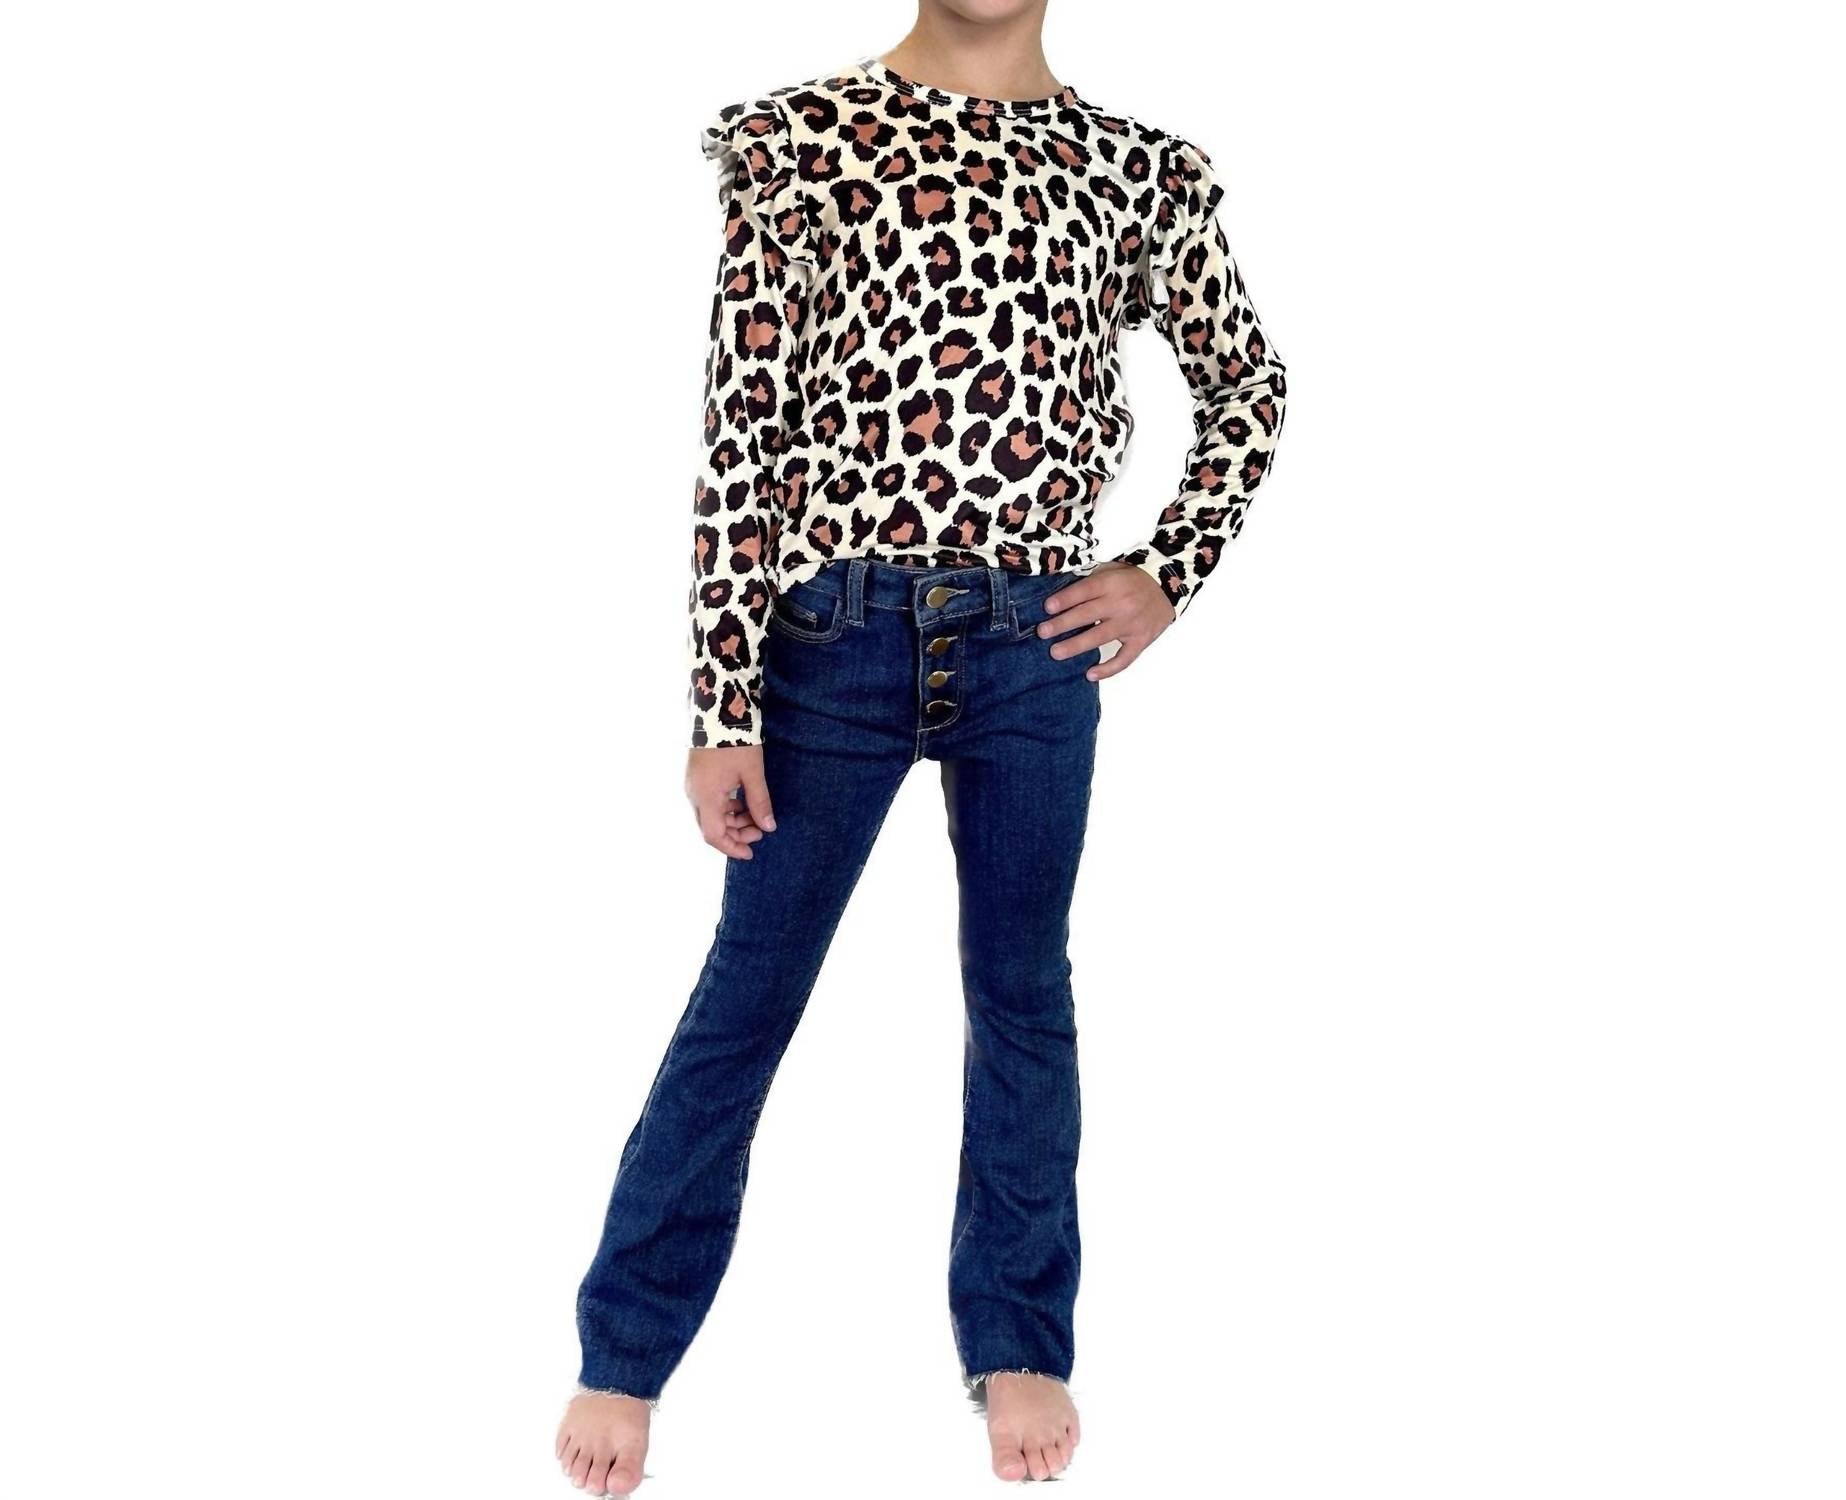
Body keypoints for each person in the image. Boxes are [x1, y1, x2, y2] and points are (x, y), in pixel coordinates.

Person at [556, 8, 1287, 1491]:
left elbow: (1248, 390)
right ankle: (625, 1350)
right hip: (834, 639)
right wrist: (721, 704)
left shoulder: (1135, 168)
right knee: (749, 996)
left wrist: (1167, 569)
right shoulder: (799, 139)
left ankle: (1017, 1335)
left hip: (1034, 645)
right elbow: (743, 432)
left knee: (1021, 994)